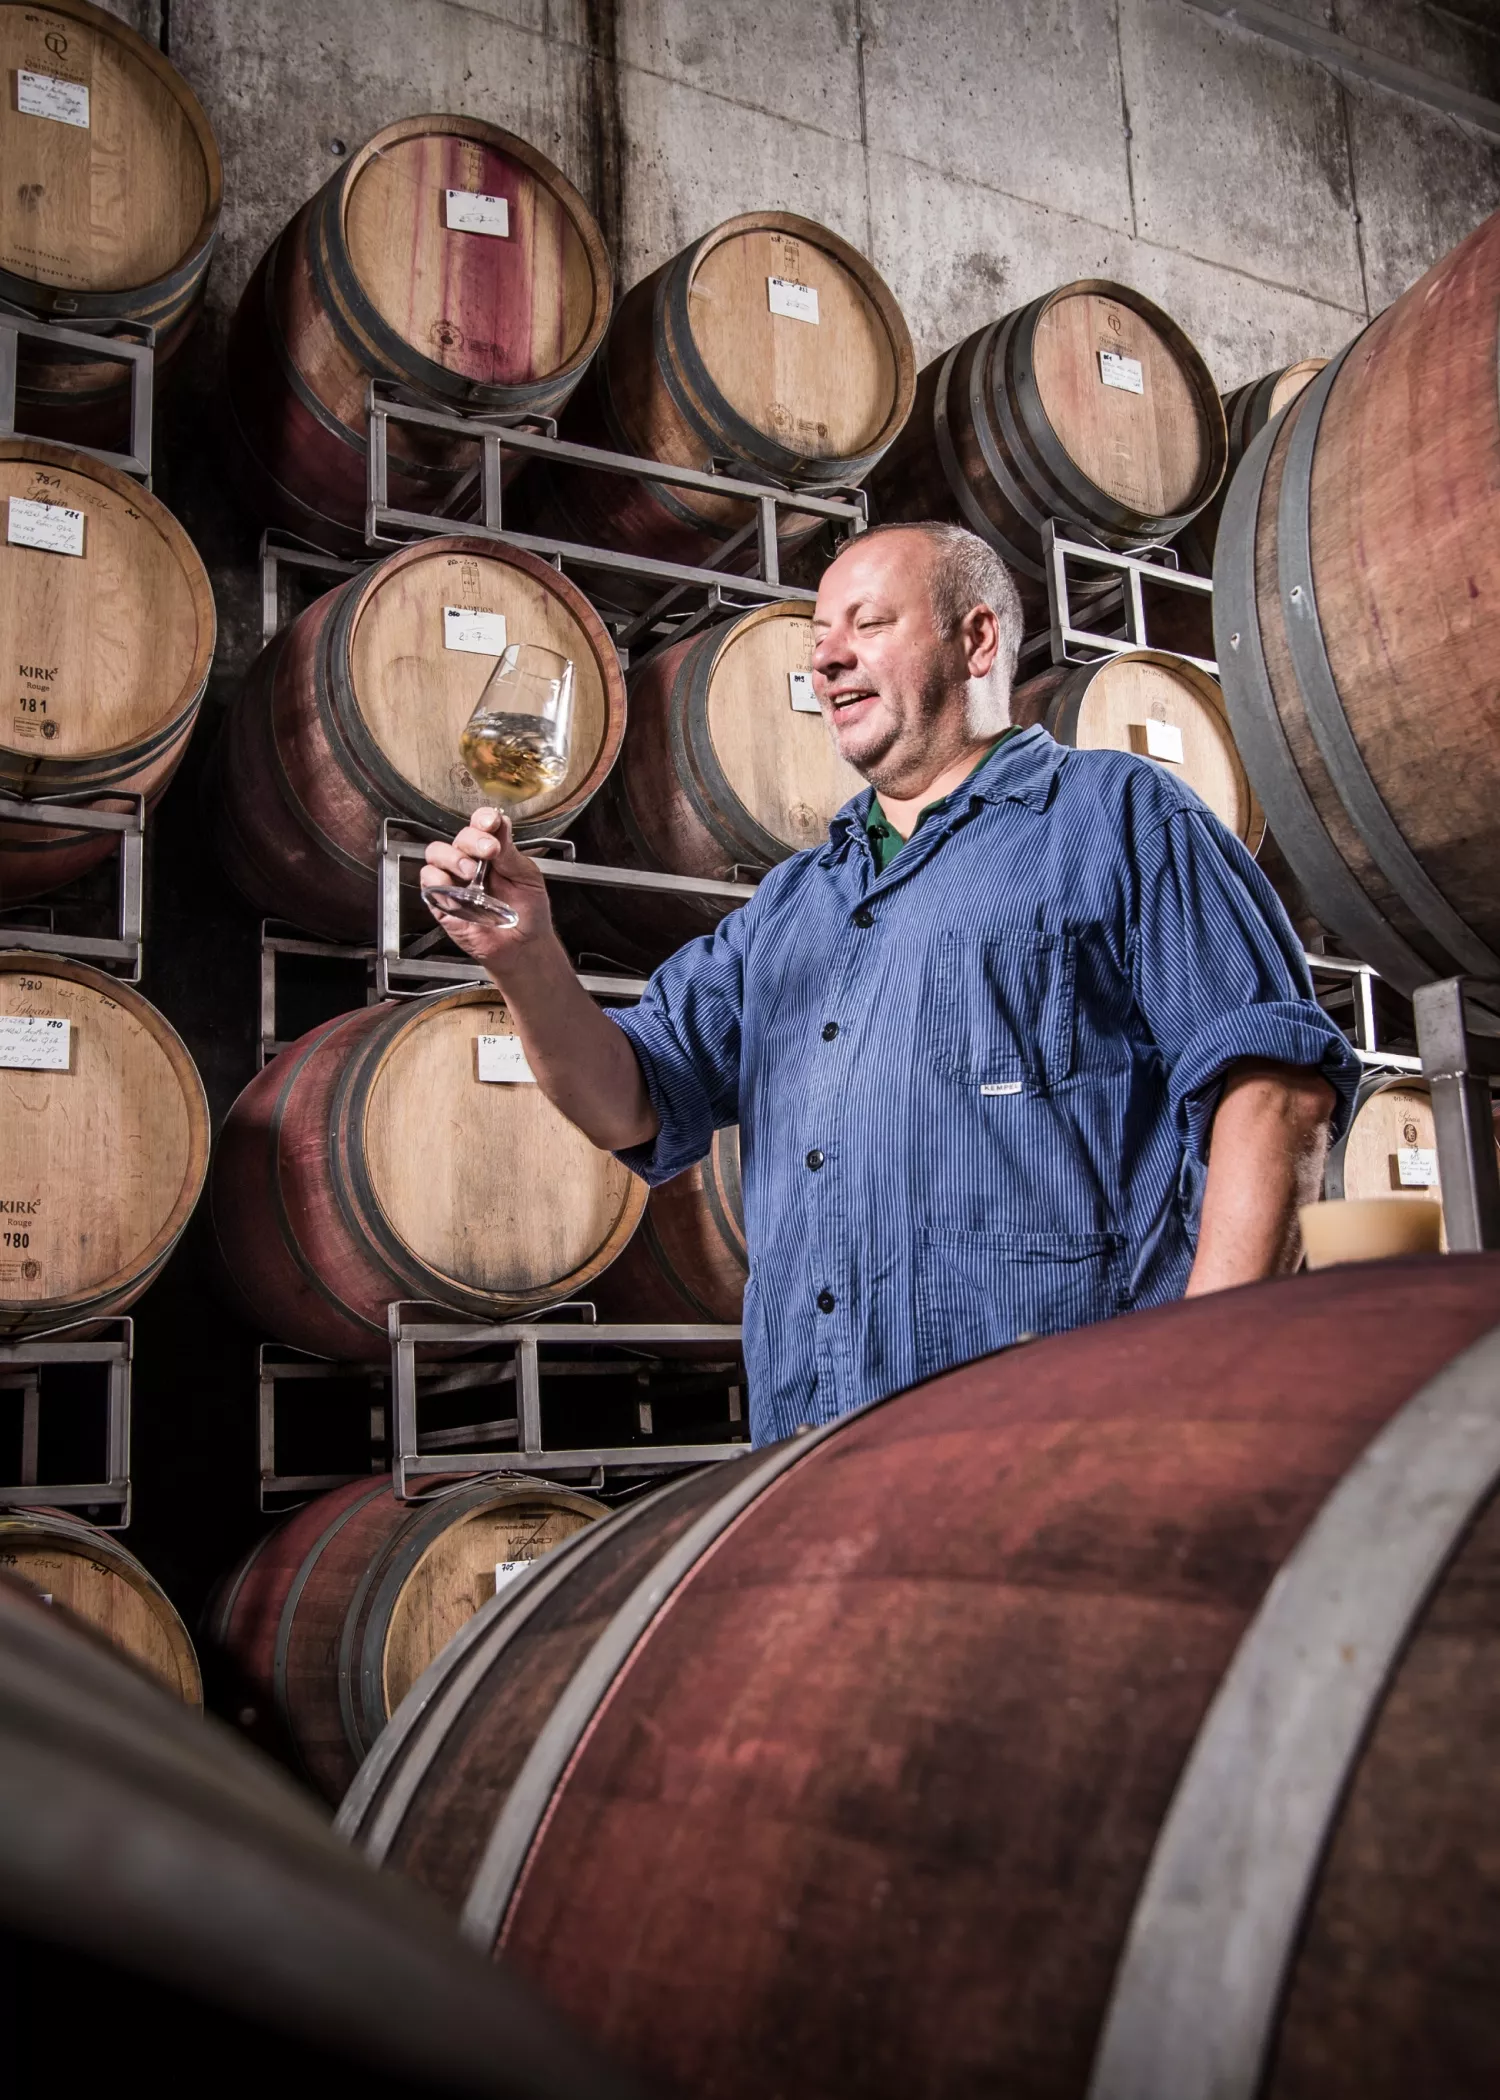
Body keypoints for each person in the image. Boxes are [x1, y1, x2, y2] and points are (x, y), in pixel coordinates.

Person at [422, 522, 1360, 1445]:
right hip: (815, 1448)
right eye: (818, 639)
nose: (827, 659)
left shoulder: (1116, 815)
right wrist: (524, 957)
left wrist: (1203, 1382)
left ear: (976, 640)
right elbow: (626, 1102)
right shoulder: (793, 903)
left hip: (1062, 1438)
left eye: (867, 624)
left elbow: (1276, 1091)